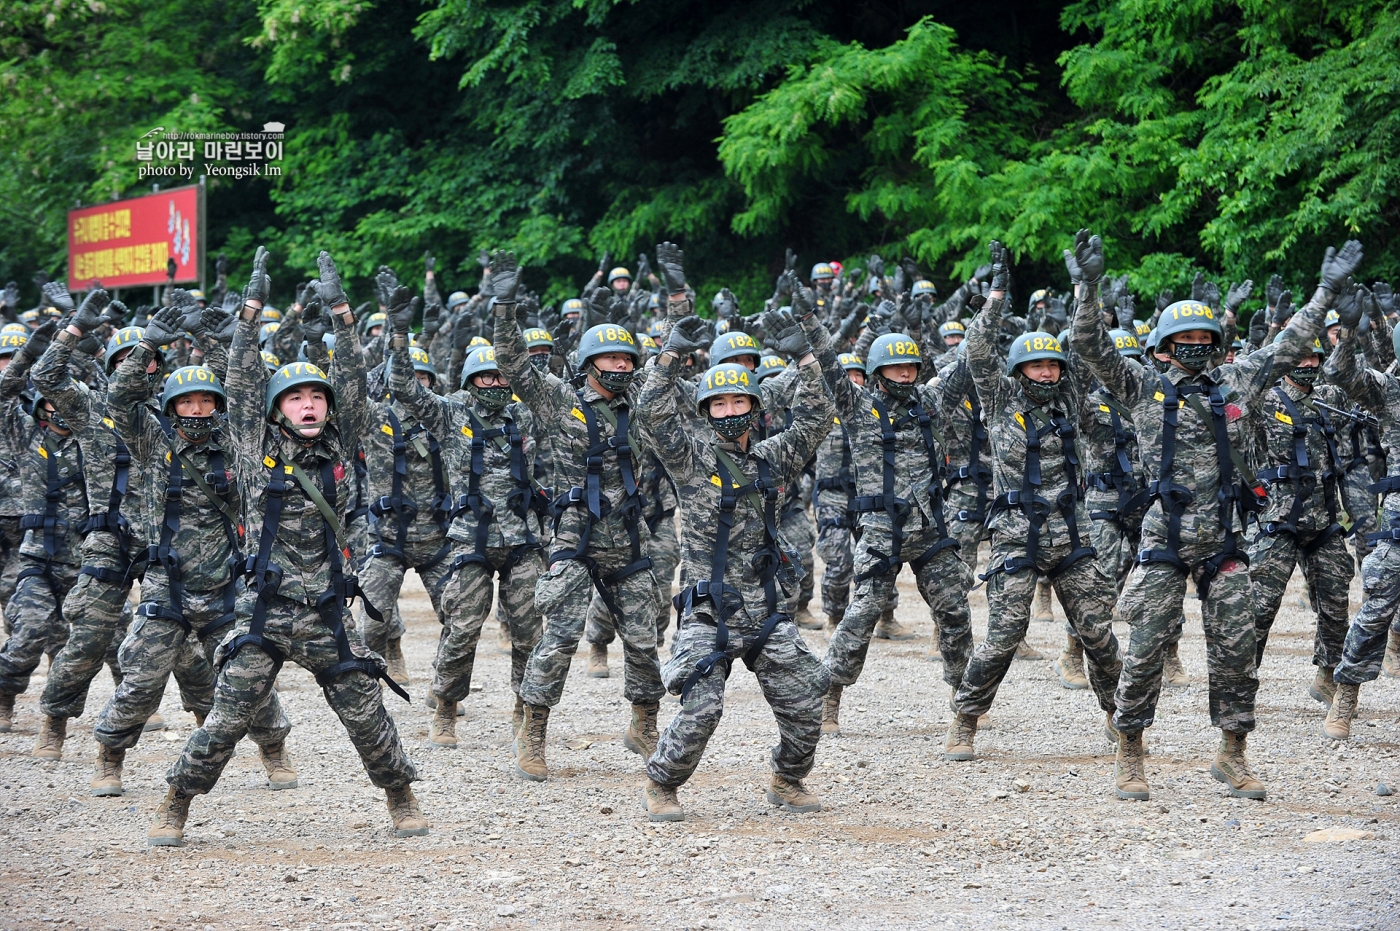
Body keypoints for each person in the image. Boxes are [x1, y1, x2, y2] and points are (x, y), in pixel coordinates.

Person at [150, 247, 425, 846]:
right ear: (278, 410)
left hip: (328, 610)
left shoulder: (341, 447)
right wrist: (248, 316)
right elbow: (243, 379)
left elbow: (353, 379)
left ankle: (400, 794)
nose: (309, 404)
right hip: (264, 612)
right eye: (296, 398)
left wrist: (343, 316)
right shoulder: (252, 451)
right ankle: (176, 800)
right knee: (225, 720)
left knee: (367, 716)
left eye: (316, 398)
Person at [1070, 228, 1358, 801]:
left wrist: (1324, 293)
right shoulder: (1141, 386)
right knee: (1147, 646)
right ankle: (1130, 748)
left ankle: (1232, 753)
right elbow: (1089, 345)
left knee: (1235, 649)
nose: (1198, 345)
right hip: (1164, 538)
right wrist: (1089, 286)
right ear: (1164, 348)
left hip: (1225, 540)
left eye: (1207, 336)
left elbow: (1288, 343)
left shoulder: (1237, 381)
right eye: (1187, 338)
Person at [637, 307, 833, 821]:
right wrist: (670, 356)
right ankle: (661, 785)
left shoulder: (775, 457)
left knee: (808, 696)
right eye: (718, 403)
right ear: (705, 411)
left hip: (767, 610)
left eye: (739, 400)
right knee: (703, 708)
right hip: (709, 612)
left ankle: (787, 779)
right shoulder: (691, 460)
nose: (729, 410)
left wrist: (807, 358)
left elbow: (817, 416)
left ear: (756, 405)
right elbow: (652, 413)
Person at [94, 310, 293, 797]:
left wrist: (229, 342)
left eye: (207, 400)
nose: (198, 410)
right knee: (141, 680)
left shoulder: (237, 442)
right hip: (169, 582)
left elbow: (257, 395)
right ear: (171, 407)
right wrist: (147, 347)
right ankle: (110, 755)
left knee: (251, 678)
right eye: (187, 402)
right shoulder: (151, 441)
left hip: (229, 583)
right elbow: (119, 398)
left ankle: (274, 750)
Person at [491, 249, 665, 781]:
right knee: (561, 636)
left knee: (644, 636)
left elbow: (675, 371)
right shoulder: (558, 402)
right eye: (609, 360)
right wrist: (503, 308)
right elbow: (514, 366)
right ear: (588, 364)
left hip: (628, 537)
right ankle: (533, 730)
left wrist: (675, 319)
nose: (620, 367)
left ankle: (645, 722)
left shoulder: (643, 405)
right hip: (573, 535)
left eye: (626, 360)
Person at [947, 241, 1123, 762]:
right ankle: (965, 719)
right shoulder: (1000, 399)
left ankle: (1119, 718)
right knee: (1002, 638)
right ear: (1020, 370)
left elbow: (1090, 347)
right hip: (1015, 536)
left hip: (1072, 535)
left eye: (1053, 367)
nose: (1047, 374)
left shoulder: (1073, 398)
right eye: (1037, 367)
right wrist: (998, 294)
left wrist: (1085, 290)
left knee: (1099, 634)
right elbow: (977, 349)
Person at [811, 290, 973, 737]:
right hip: (882, 532)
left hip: (930, 531)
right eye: (894, 368)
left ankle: (965, 704)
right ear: (877, 373)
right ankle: (829, 698)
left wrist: (992, 303)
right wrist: (809, 319)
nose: (905, 373)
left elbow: (968, 359)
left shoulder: (933, 403)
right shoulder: (858, 408)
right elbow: (828, 367)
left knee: (955, 614)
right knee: (860, 616)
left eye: (911, 366)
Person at [385, 329, 545, 746]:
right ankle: (446, 707)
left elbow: (553, 392)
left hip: (522, 537)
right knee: (462, 628)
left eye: (500, 377)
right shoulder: (450, 413)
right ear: (470, 381)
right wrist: (400, 340)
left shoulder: (524, 415)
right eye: (484, 377)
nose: (494, 384)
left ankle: (524, 708)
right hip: (471, 538)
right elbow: (404, 388)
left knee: (529, 631)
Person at [1248, 335, 1353, 707]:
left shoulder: (1330, 399)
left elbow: (1355, 377)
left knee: (1336, 602)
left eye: (1314, 357)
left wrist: (1353, 331)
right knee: (1260, 606)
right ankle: (1242, 682)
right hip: (1278, 518)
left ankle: (1328, 674)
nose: (1308, 364)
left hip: (1324, 518)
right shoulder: (1264, 400)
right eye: (1300, 356)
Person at [1319, 290, 1400, 737]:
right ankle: (1346, 691)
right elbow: (1340, 371)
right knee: (1377, 608)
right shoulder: (1391, 392)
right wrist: (1349, 333)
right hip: (1399, 520)